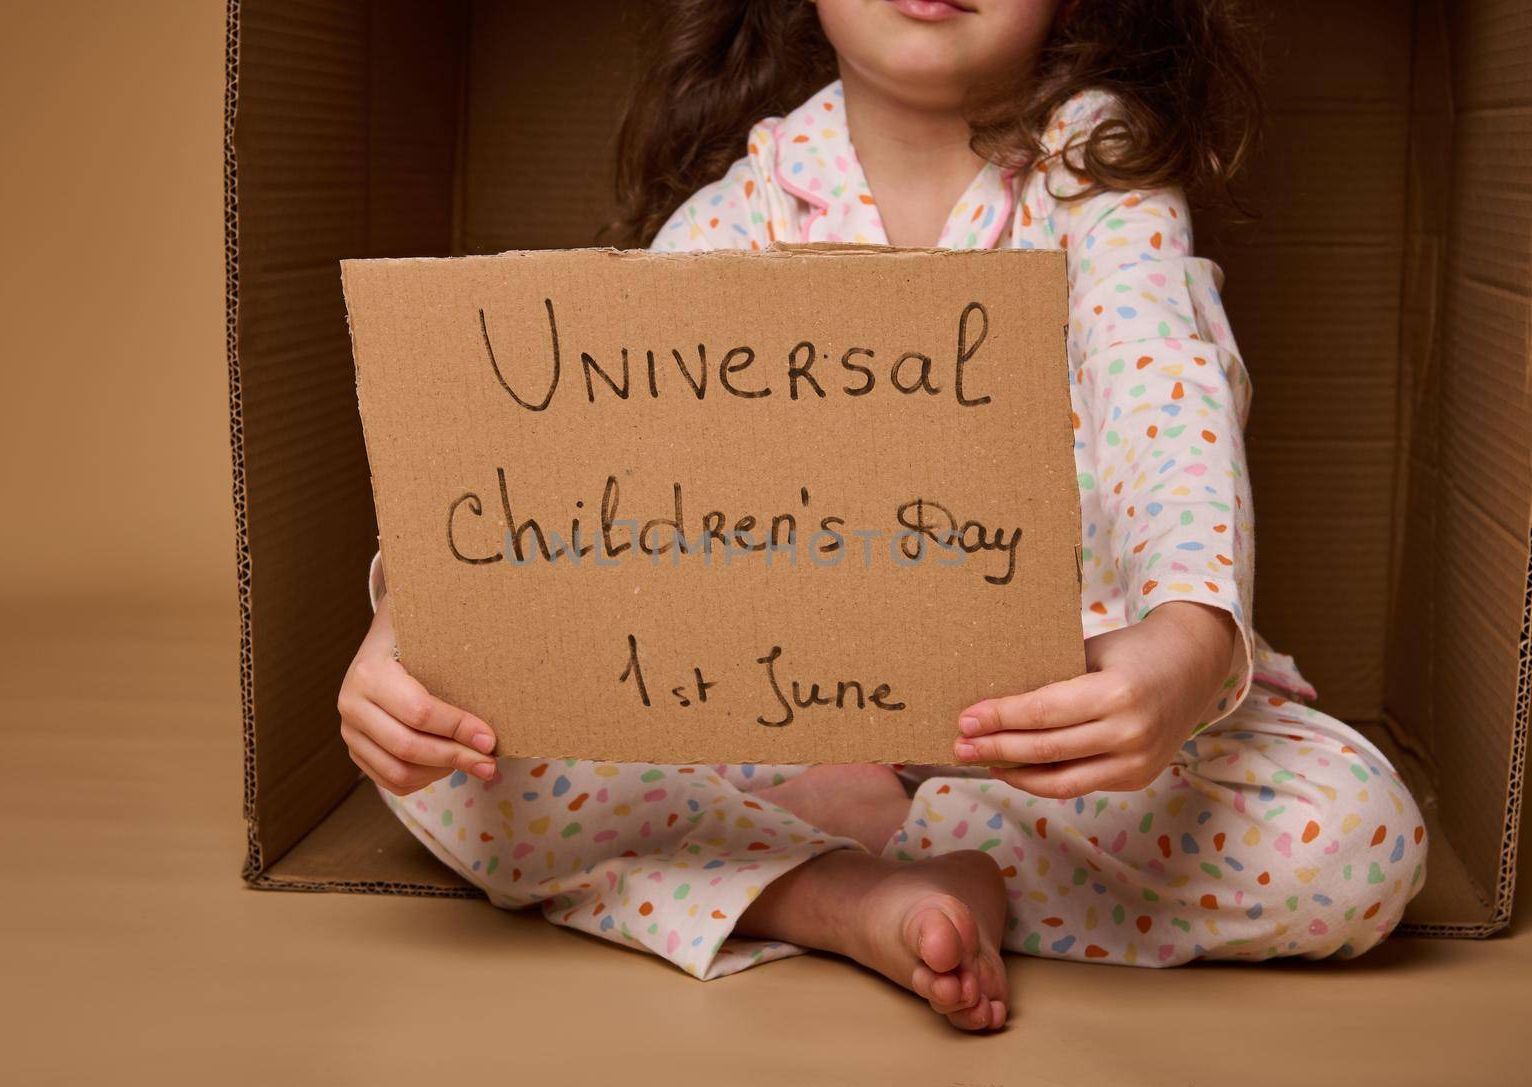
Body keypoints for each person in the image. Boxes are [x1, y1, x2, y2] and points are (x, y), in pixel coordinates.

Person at [336, 0, 1427, 1032]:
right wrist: (421, 633)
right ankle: (833, 893)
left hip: (1055, 742)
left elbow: (1168, 402)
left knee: (1354, 838)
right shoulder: (735, 213)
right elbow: (564, 483)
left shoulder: (1102, 176)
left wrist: (1182, 651)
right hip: (767, 739)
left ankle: (870, 857)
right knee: (449, 780)